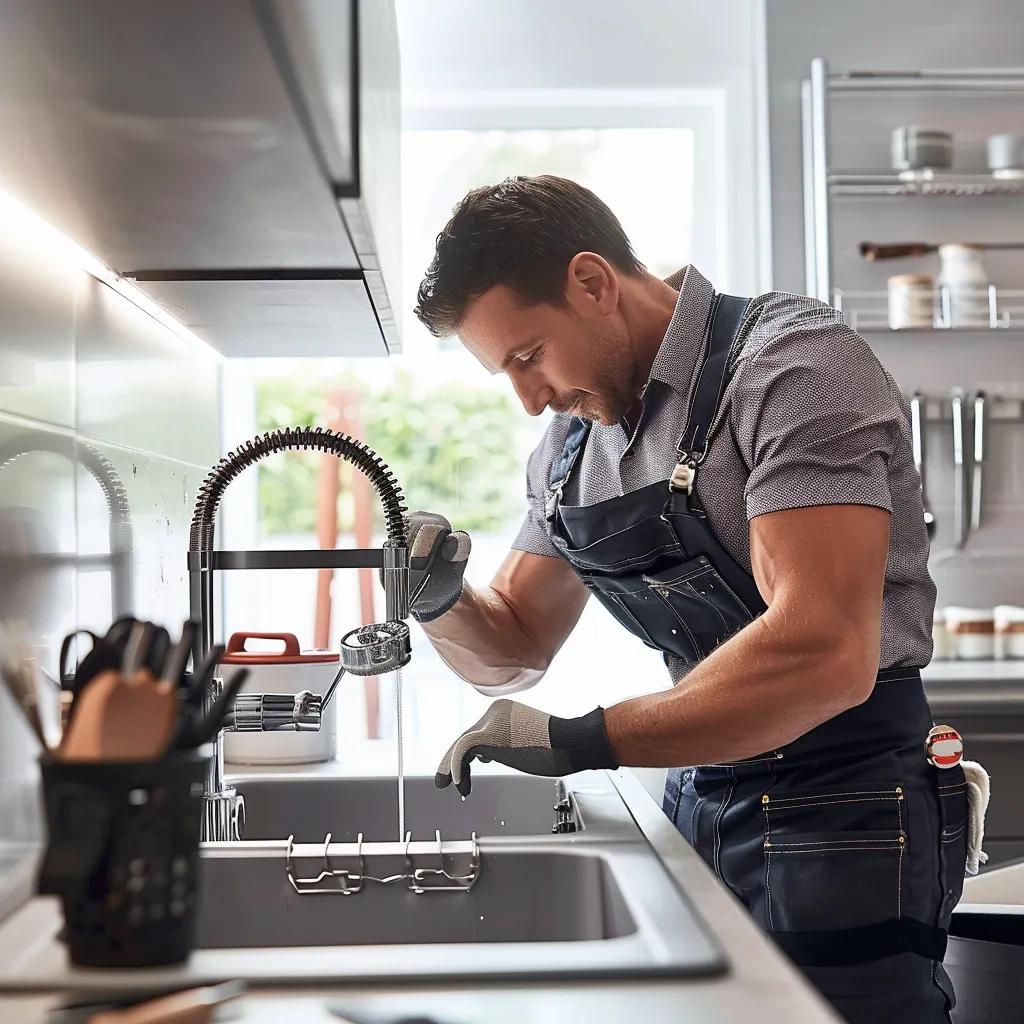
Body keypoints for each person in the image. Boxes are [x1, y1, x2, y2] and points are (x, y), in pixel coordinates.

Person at [401, 175, 966, 1023]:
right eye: (503, 374)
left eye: (527, 357)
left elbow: (822, 652)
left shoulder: (792, 366)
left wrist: (583, 739)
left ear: (592, 282)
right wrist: (439, 597)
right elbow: (515, 642)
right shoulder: (570, 446)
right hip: (701, 796)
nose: (528, 398)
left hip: (845, 811)